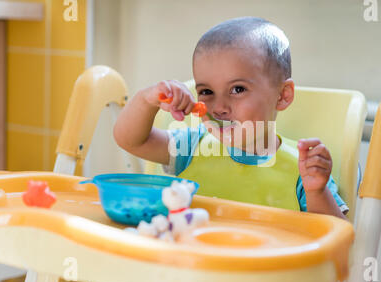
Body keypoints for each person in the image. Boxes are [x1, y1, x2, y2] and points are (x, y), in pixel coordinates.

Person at [114, 17, 348, 219]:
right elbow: (131, 140)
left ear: (282, 96)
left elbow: (336, 238)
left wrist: (316, 191)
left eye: (237, 89)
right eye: (206, 92)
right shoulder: (191, 148)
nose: (219, 107)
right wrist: (147, 100)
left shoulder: (303, 170)